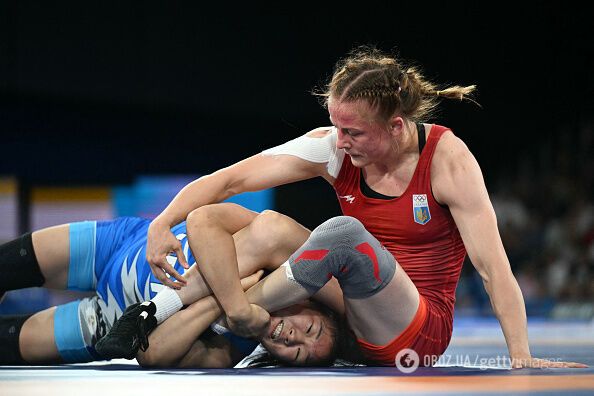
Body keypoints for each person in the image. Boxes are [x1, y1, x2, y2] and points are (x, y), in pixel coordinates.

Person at [139, 46, 586, 368]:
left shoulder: (448, 162)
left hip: (416, 331)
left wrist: (520, 355)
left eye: (352, 132)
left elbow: (494, 268)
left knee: (341, 235)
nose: (340, 140)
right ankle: (155, 313)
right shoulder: (336, 147)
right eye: (336, 126)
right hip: (351, 312)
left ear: (395, 126)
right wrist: (162, 223)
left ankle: (221, 311)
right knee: (270, 227)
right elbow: (229, 180)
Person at [0, 205, 350, 367]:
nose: (294, 338)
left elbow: (148, 353)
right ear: (309, 303)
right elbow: (205, 218)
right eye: (311, 330)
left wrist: (230, 309)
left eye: (299, 352)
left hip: (106, 323)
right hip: (119, 248)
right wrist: (236, 301)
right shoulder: (269, 248)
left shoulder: (229, 351)